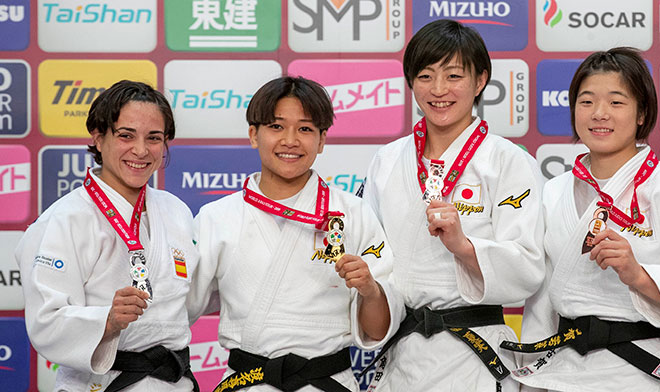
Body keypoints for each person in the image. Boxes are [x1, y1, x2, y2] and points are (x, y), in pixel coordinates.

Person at [504, 47, 660, 391]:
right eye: (586, 101)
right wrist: (531, 381)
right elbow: (541, 302)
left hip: (640, 371)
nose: (599, 114)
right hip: (564, 371)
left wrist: (639, 276)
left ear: (642, 113)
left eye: (616, 102)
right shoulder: (553, 193)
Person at [361, 19, 545, 391]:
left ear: (480, 81)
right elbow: (372, 256)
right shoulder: (388, 160)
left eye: (453, 76)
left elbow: (528, 267)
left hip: (474, 356)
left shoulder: (507, 161)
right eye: (425, 76)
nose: (439, 90)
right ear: (411, 81)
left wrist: (464, 247)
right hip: (404, 354)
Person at [187, 76, 404, 392]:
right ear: (253, 134)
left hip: (326, 383)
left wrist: (370, 289)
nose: (290, 140)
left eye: (305, 128)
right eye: (276, 127)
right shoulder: (217, 218)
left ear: (321, 140)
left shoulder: (352, 213)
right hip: (248, 384)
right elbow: (179, 308)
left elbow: (377, 329)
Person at [16, 80, 199, 391]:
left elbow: (191, 300)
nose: (141, 151)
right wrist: (107, 319)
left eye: (153, 138)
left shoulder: (176, 210)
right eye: (126, 135)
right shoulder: (64, 219)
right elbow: (45, 323)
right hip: (101, 384)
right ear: (98, 138)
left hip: (173, 382)